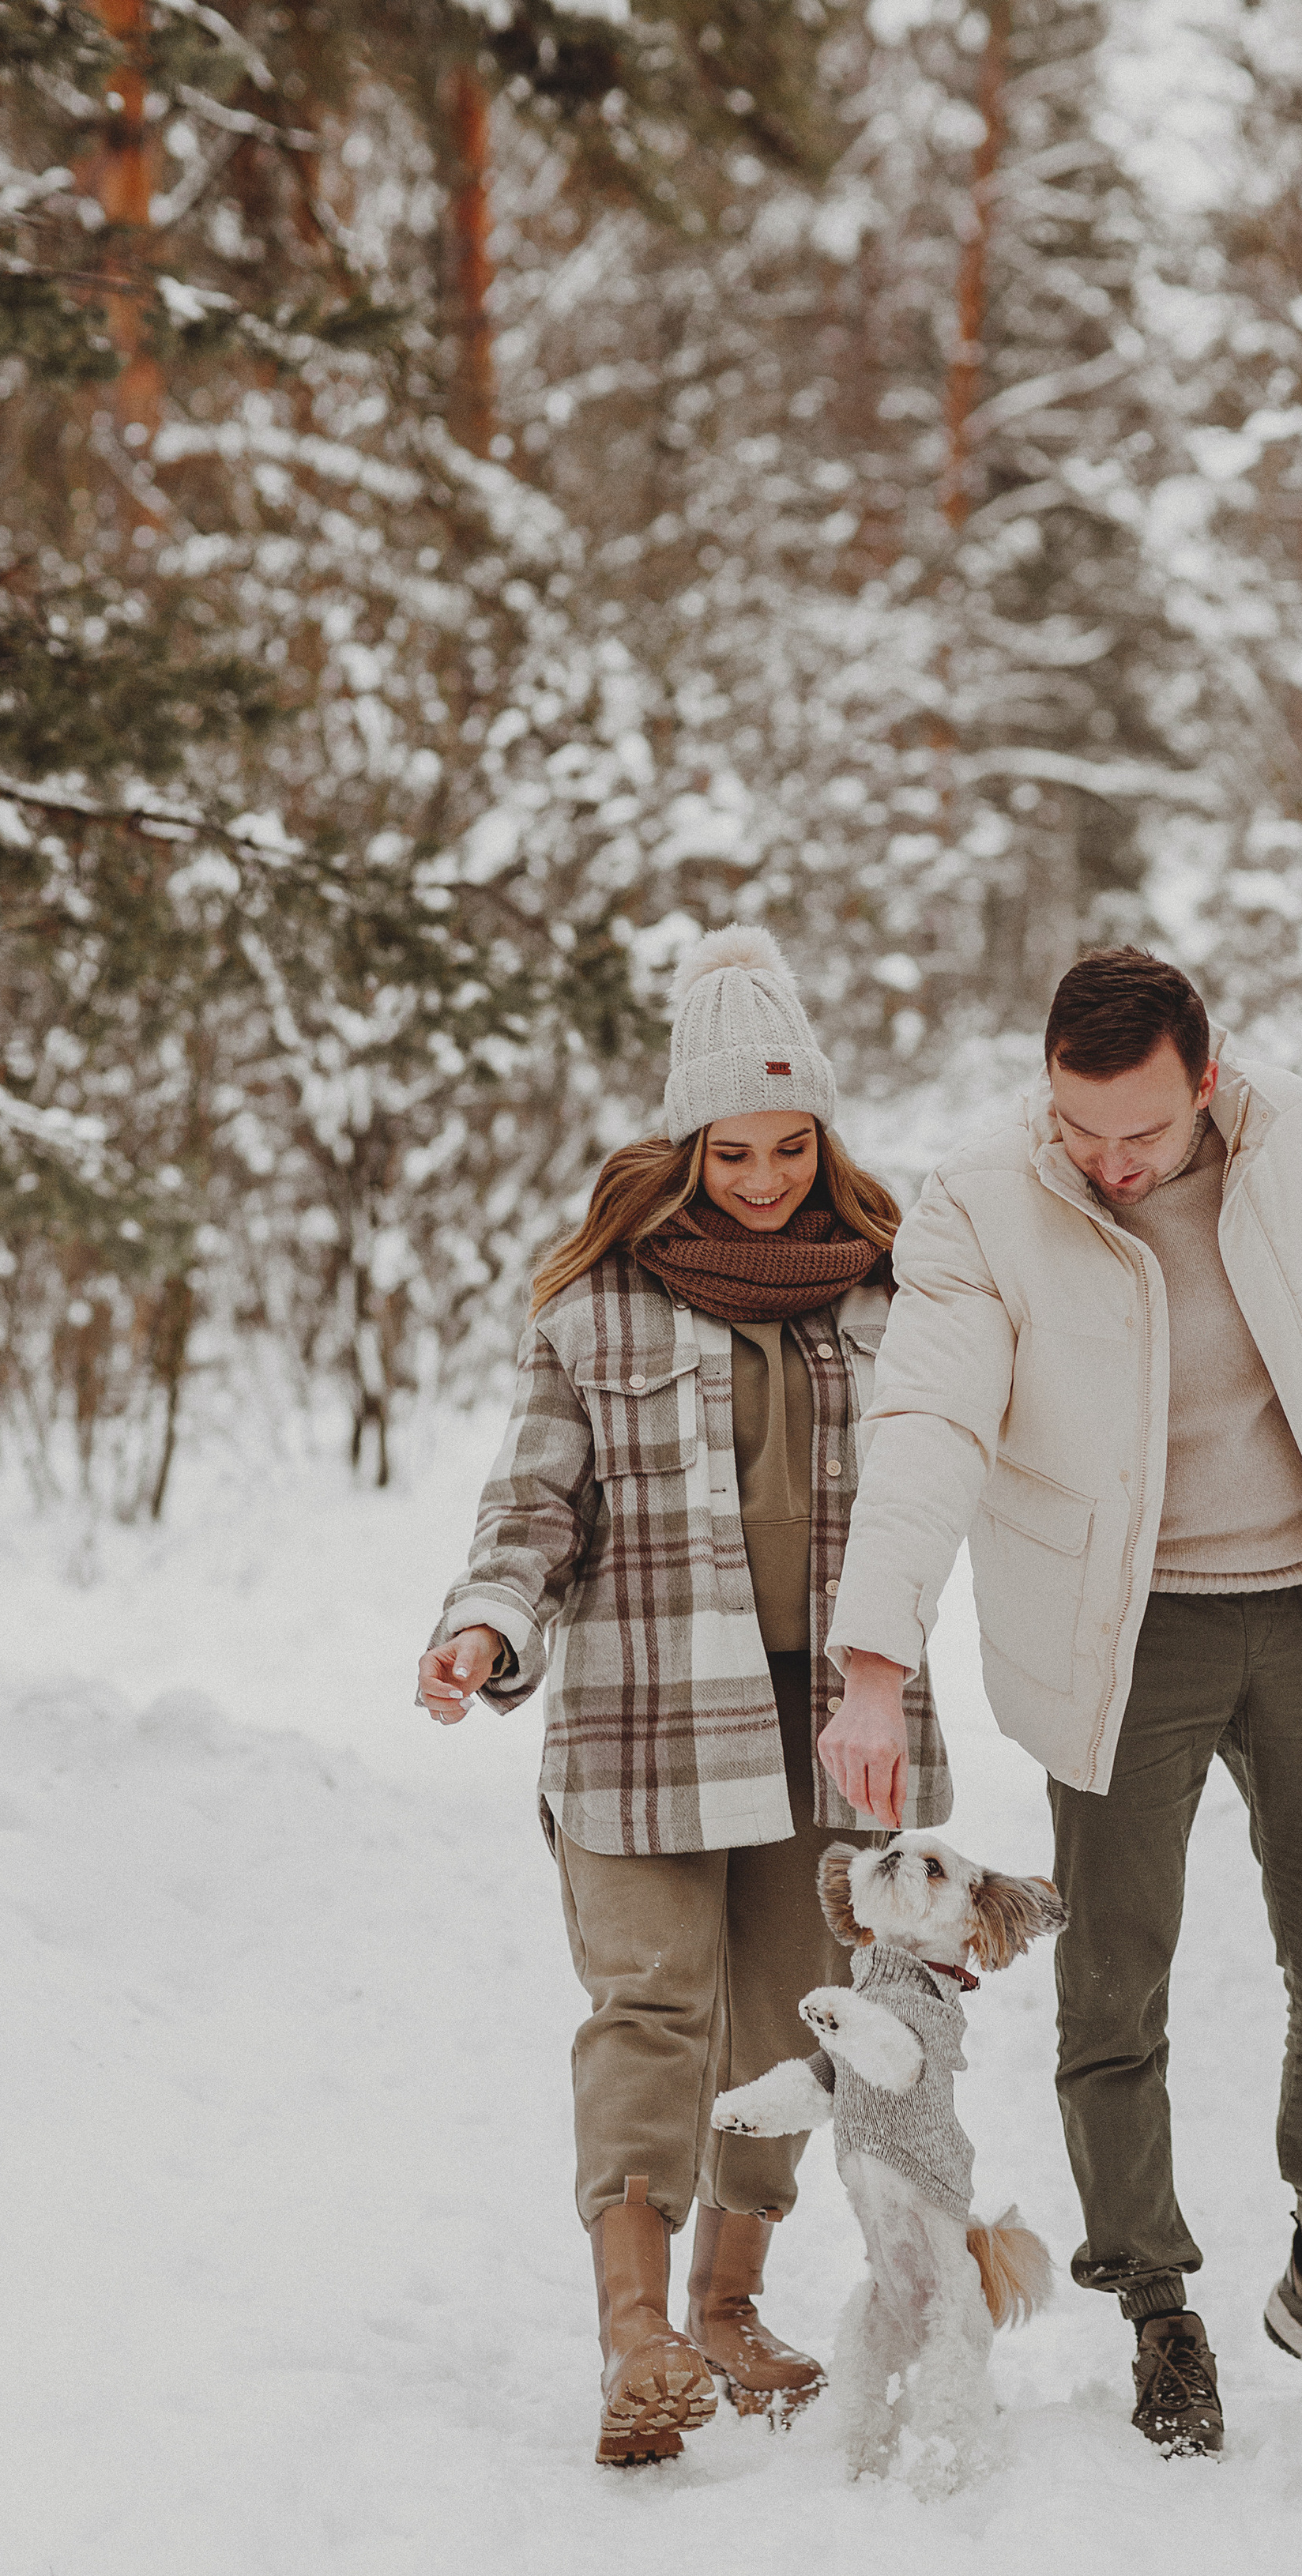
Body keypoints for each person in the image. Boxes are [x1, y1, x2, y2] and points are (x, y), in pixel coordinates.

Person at [818, 947, 1302, 2458]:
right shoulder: (984, 1202)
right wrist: (875, 1661)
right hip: (1121, 1634)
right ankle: (1156, 2305)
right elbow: (928, 1422)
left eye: (1145, 1133)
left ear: (1208, 1079)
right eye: (1081, 1127)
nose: (1111, 1163)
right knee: (1113, 1986)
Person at [418, 925, 950, 2469]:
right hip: (645, 1715)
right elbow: (532, 1509)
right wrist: (484, 1626)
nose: (766, 1178)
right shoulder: (596, 1310)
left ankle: (728, 2304)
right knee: (648, 2007)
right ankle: (635, 2333)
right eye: (734, 1149)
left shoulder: (896, 1300)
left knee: (793, 2019)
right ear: (684, 1143)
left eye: (792, 1146)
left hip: (829, 1727)